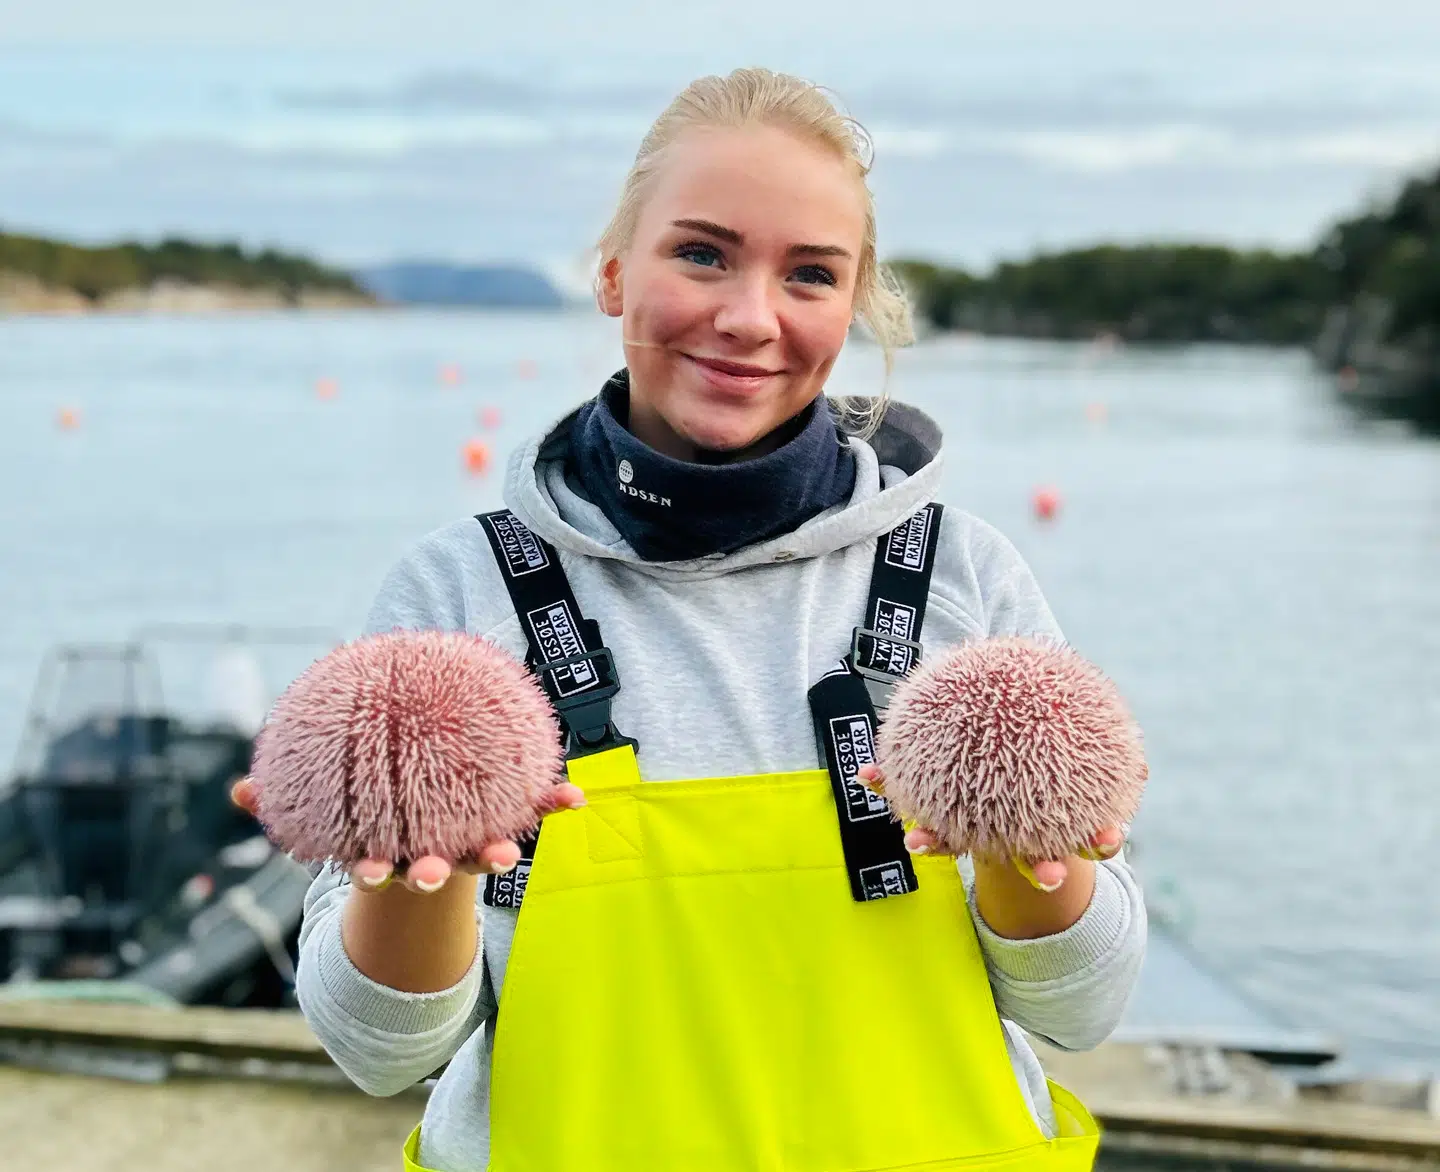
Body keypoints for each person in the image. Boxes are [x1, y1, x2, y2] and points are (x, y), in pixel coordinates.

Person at [233, 67, 1146, 1172]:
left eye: (810, 274)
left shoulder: (961, 573)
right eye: (702, 252)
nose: (749, 316)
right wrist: (402, 868)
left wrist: (1029, 852)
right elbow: (378, 1051)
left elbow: (1081, 1007)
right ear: (615, 273)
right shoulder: (457, 596)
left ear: (853, 306)